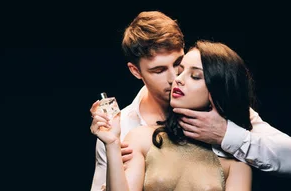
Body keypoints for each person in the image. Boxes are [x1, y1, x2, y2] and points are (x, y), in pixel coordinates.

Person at [89, 11, 291, 191]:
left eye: (179, 65)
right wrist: (112, 149)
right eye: (158, 70)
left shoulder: (225, 112)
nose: (174, 78)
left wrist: (225, 134)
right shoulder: (124, 127)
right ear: (135, 71)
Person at [91, 40, 256, 190]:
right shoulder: (141, 138)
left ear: (219, 90)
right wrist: (112, 143)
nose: (175, 79)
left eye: (195, 76)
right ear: (136, 71)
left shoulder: (237, 162)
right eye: (181, 71)